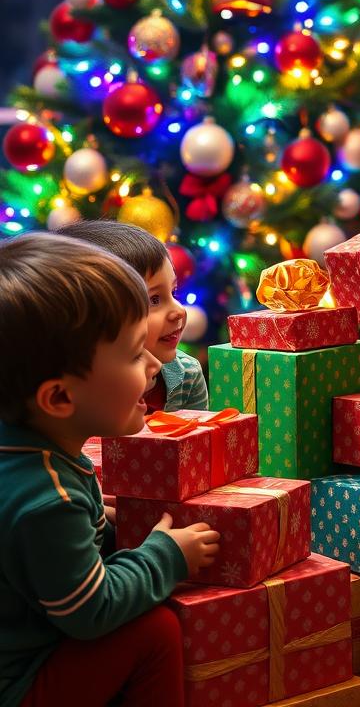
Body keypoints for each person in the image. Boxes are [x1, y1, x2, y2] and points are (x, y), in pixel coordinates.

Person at [0, 232, 221, 707]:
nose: (149, 365)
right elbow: (91, 609)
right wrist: (166, 555)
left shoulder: (29, 450)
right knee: (155, 629)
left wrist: (104, 520)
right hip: (19, 685)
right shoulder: (48, 499)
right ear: (59, 398)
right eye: (131, 354)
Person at [60, 220, 208, 413]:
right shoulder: (78, 390)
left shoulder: (188, 374)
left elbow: (200, 438)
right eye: (154, 300)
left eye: (174, 292)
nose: (179, 310)